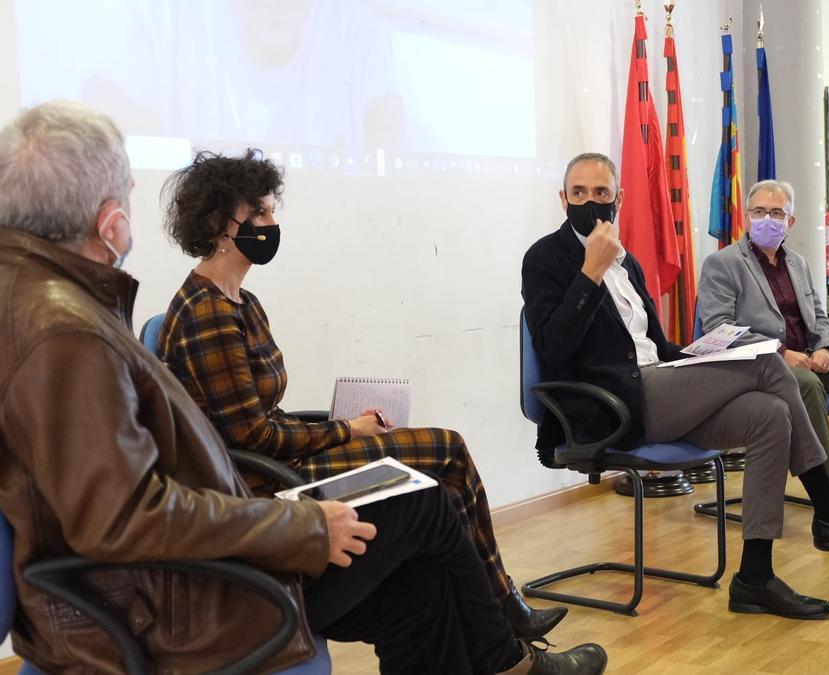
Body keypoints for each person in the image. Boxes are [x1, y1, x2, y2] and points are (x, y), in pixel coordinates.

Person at [0, 101, 605, 674]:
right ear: (112, 221)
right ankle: (511, 658)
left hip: (203, 546)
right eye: (258, 213)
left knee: (421, 580)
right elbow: (130, 515)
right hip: (188, 590)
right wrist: (307, 525)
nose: (270, 223)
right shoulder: (67, 333)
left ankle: (507, 654)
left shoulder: (42, 309)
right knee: (427, 502)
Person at [154, 149, 566, 641]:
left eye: (270, 209)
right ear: (222, 223)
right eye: (259, 212)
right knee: (447, 451)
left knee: (447, 491)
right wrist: (344, 431)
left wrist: (333, 431)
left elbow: (262, 417)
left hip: (271, 460)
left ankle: (489, 630)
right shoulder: (208, 314)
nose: (271, 221)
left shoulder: (241, 300)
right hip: (257, 484)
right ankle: (502, 614)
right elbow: (251, 435)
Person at [521, 152, 829, 621]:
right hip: (613, 407)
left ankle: (755, 577)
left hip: (658, 385)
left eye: (601, 193)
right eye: (579, 193)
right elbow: (554, 346)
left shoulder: (628, 265)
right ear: (562, 198)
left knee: (769, 415)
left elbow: (654, 344)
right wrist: (590, 272)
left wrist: (702, 356)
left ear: (618, 200)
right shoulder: (546, 257)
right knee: (768, 361)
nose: (591, 202)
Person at [698, 179, 829, 515]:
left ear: (790, 222)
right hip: (761, 366)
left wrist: (825, 347)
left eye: (776, 213)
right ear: (746, 217)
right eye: (759, 212)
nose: (767, 219)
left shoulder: (798, 263)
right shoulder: (723, 264)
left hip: (811, 359)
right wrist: (781, 352)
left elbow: (819, 317)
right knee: (809, 387)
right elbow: (718, 329)